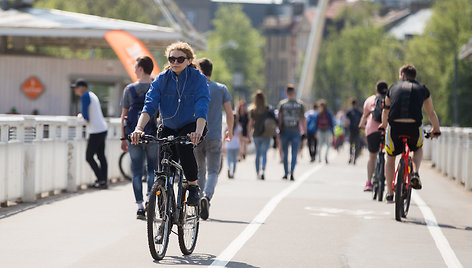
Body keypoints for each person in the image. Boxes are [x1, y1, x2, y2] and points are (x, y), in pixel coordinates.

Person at [130, 41, 210, 206]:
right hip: (168, 126)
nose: (175, 62)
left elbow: (202, 105)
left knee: (185, 149)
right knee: (163, 165)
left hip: (191, 125)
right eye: (171, 59)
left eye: (180, 59)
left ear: (188, 60)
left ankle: (193, 187)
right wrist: (138, 128)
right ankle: (164, 200)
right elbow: (149, 105)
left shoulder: (198, 79)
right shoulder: (161, 79)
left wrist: (198, 131)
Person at [379, 64, 440, 203]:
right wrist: (436, 129)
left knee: (390, 157)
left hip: (395, 127)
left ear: (402, 75)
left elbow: (386, 110)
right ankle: (415, 172)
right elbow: (431, 113)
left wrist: (383, 125)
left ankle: (389, 193)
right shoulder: (423, 89)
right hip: (414, 127)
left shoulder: (393, 87)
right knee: (417, 148)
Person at [194, 57, 233, 220]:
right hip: (215, 135)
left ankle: (197, 202)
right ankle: (207, 197)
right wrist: (229, 131)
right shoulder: (221, 89)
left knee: (199, 170)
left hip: (196, 134)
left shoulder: (195, 88)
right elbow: (230, 114)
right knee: (213, 171)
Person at [120, 56, 159, 219]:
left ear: (141, 68)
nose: (135, 70)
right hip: (152, 134)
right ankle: (150, 200)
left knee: (136, 172)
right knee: (152, 170)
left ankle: (140, 206)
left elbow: (124, 115)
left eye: (136, 67)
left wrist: (124, 137)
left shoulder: (129, 89)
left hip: (133, 135)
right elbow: (160, 114)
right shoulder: (156, 87)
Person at [73, 79, 108, 189]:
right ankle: (103, 181)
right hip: (102, 128)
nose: (75, 90)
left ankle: (101, 179)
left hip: (96, 131)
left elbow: (86, 117)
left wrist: (80, 116)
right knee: (101, 156)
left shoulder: (85, 96)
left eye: (76, 87)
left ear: (82, 87)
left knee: (89, 157)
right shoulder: (92, 95)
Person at [358, 80, 389, 192]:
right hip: (386, 130)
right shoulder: (391, 98)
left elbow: (365, 115)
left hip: (372, 130)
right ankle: (389, 185)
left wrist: (361, 125)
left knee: (372, 156)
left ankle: (369, 183)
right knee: (388, 157)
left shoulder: (370, 100)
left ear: (376, 90)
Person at [278, 84, 306, 181]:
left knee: (285, 153)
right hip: (295, 131)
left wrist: (279, 129)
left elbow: (280, 118)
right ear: (294, 92)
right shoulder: (300, 104)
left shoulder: (282, 104)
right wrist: (305, 132)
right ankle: (292, 172)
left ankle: (286, 173)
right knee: (294, 153)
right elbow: (303, 119)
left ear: (286, 93)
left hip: (285, 131)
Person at [247, 90, 274, 180]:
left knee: (258, 154)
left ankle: (257, 173)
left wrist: (248, 135)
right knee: (264, 153)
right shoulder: (267, 109)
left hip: (256, 134)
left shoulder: (253, 110)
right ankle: (263, 170)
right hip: (266, 134)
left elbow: (250, 124)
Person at [313, 99, 335, 164]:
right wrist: (332, 132)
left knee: (320, 145)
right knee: (328, 145)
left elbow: (316, 123)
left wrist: (315, 132)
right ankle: (325, 157)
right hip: (327, 130)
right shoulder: (328, 113)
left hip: (320, 130)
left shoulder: (318, 113)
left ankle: (319, 158)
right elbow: (331, 123)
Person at [224, 113, 242, 179]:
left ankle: (229, 167)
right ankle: (233, 173)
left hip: (229, 145)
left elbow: (225, 137)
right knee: (235, 160)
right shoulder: (239, 127)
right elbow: (240, 138)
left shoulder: (227, 127)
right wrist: (241, 148)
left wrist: (223, 145)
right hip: (236, 146)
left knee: (229, 159)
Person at [346, 99, 363, 164]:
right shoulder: (351, 111)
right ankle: (351, 157)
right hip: (353, 130)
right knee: (352, 144)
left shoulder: (357, 112)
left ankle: (354, 157)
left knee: (355, 145)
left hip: (355, 130)